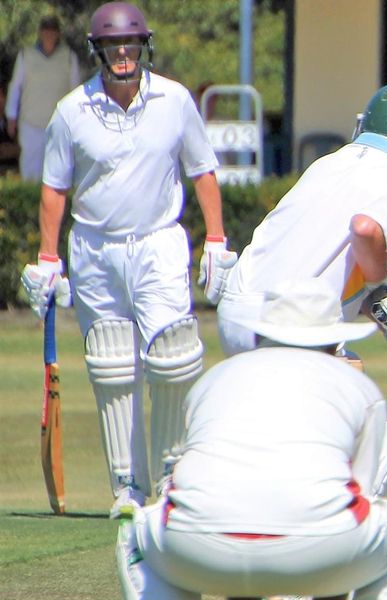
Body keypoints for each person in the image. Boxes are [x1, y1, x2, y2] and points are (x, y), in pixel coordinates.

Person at [113, 279, 387, 600]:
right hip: (324, 543)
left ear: (260, 335)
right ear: (335, 341)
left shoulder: (213, 380)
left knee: (135, 531)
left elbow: (224, 494)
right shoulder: (358, 387)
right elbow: (353, 504)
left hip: (196, 546)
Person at [19, 1, 231, 519]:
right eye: (113, 45)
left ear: (143, 48)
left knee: (175, 358)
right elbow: (54, 189)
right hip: (95, 249)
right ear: (98, 52)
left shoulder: (176, 101)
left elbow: (202, 171)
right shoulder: (73, 110)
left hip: (158, 242)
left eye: (130, 44)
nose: (122, 53)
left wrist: (218, 241)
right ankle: (128, 488)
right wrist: (49, 260)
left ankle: (172, 479)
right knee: (113, 366)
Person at [217, 82, 387, 367]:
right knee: (352, 390)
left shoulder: (328, 163)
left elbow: (336, 260)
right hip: (289, 325)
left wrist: (382, 304)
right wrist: (386, 290)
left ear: (362, 126)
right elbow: (365, 229)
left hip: (235, 312)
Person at [4, 15, 81, 181]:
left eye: (52, 31)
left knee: (59, 171)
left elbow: (76, 91)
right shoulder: (26, 55)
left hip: (59, 123)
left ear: (58, 33)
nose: (49, 34)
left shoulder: (69, 57)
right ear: (40, 32)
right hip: (30, 122)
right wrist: (11, 116)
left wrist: (77, 120)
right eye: (45, 30)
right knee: (30, 171)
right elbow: (15, 86)